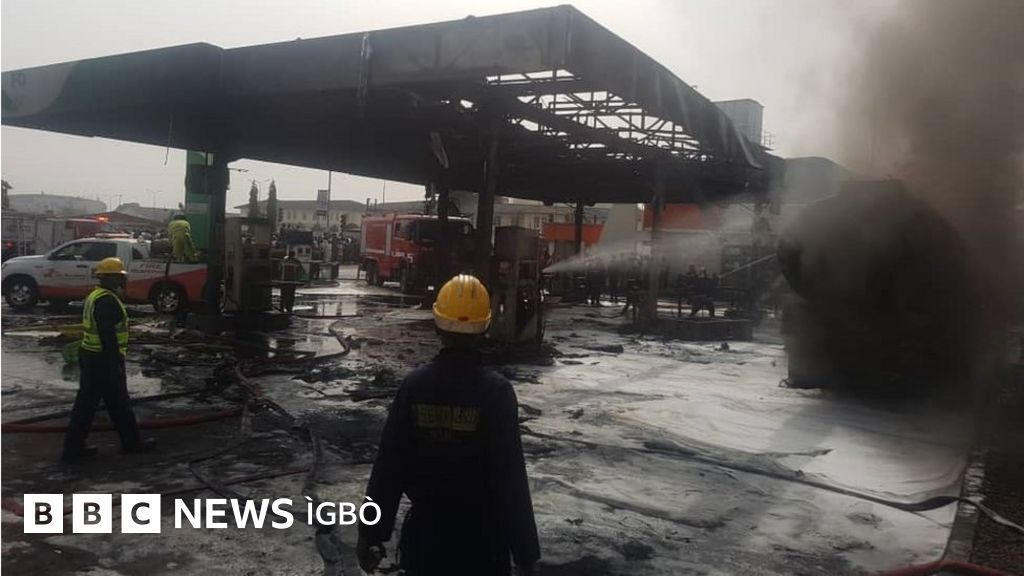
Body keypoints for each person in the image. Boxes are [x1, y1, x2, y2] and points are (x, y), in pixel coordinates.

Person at [357, 274, 540, 576]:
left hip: (425, 542)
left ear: (436, 326)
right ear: (485, 328)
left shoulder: (414, 386)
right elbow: (510, 478)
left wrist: (370, 533)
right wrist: (525, 554)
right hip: (483, 546)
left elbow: (389, 467)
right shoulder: (497, 393)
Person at [62, 257, 154, 461]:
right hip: (103, 360)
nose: (123, 281)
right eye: (120, 277)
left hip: (91, 356)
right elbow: (107, 335)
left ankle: (73, 448)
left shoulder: (96, 295)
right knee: (119, 404)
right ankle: (131, 444)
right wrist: (115, 364)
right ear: (112, 278)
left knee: (88, 405)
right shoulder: (107, 301)